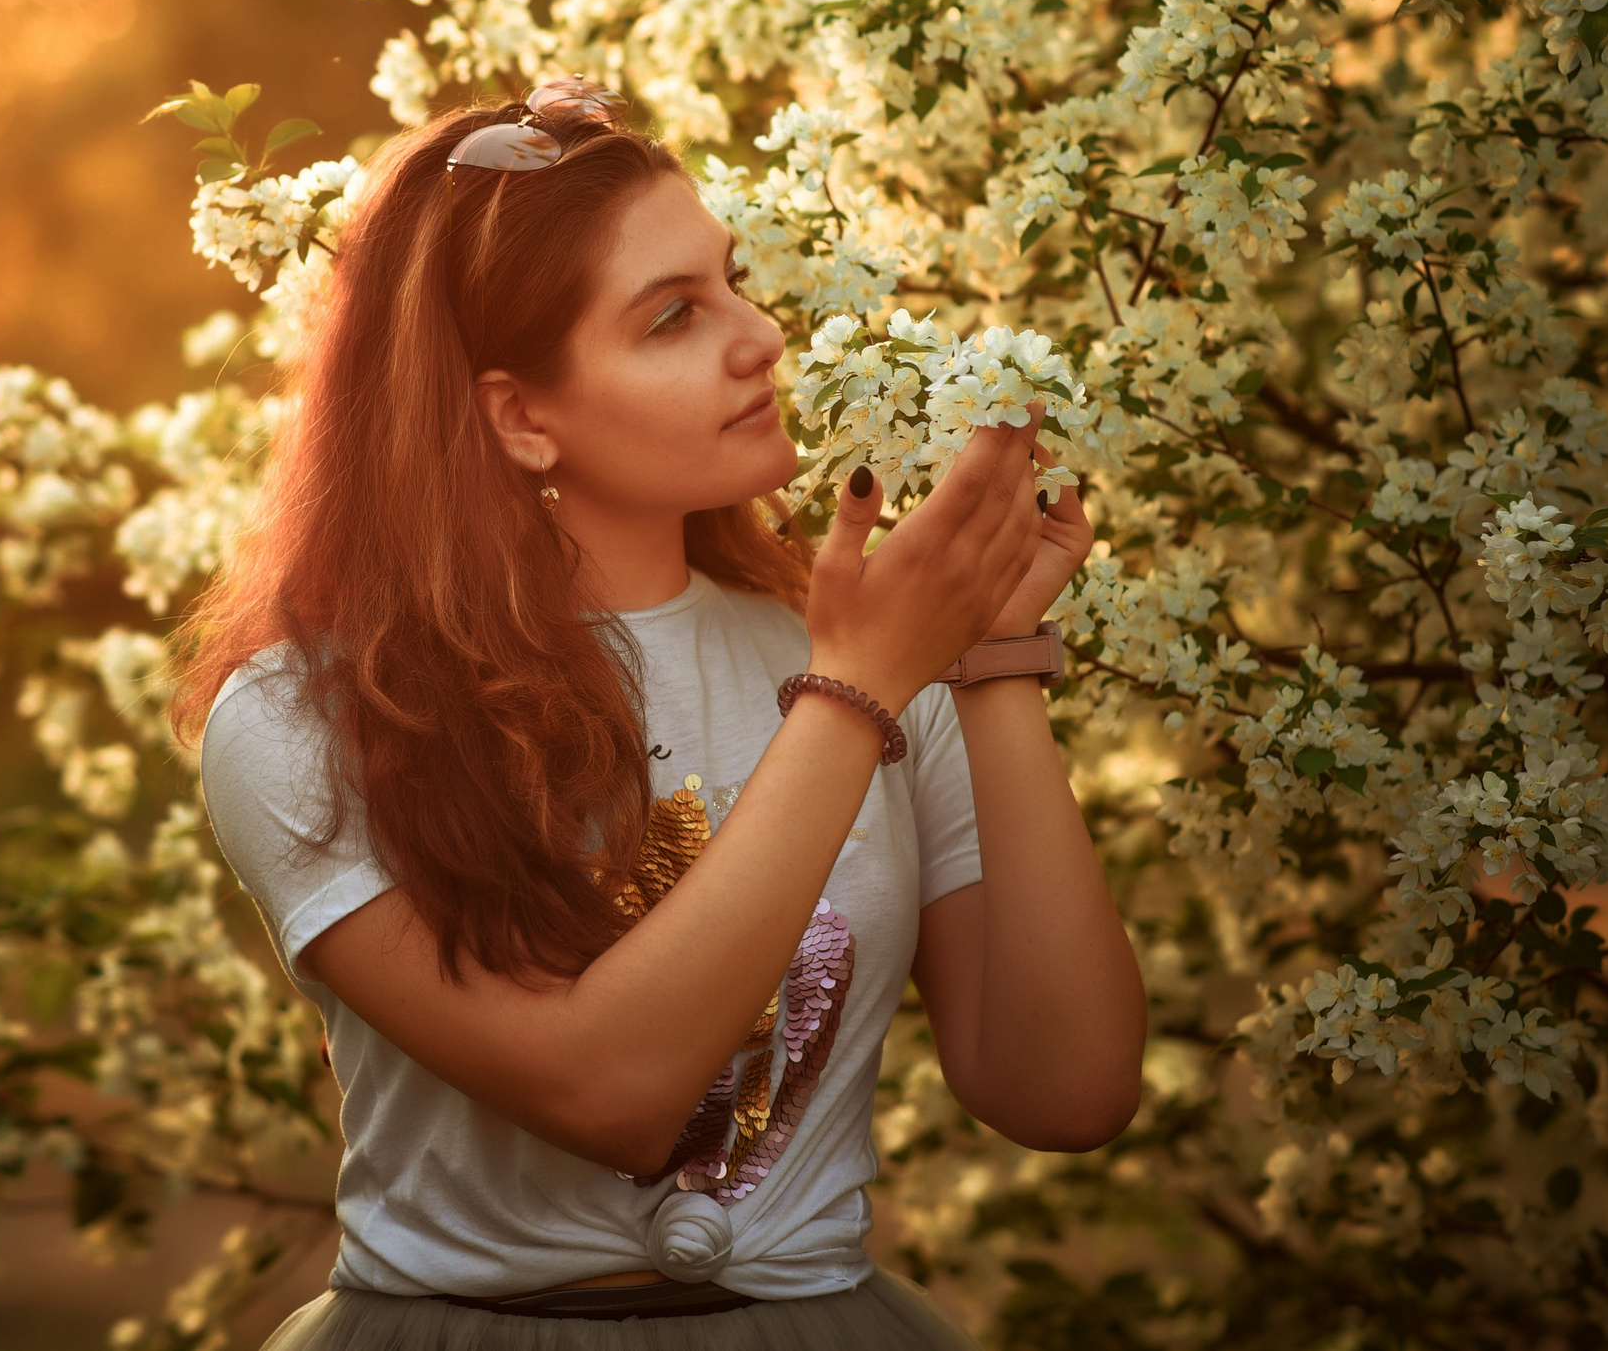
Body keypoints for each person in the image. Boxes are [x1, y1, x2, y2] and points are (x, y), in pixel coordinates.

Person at [169, 77, 1147, 1349]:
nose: (763, 337)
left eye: (733, 282)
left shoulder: (859, 641)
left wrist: (994, 651)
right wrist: (856, 692)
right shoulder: (302, 715)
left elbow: (1065, 1090)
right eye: (674, 315)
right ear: (520, 416)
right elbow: (610, 1092)